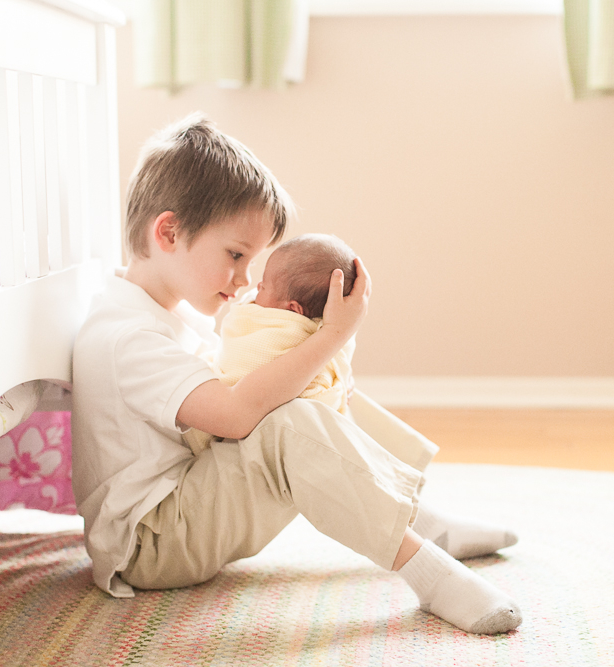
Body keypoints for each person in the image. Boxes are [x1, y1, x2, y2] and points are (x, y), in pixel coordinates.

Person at [71, 113, 522, 635]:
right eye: (236, 255)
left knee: (319, 390)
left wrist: (322, 366)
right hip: (152, 543)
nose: (244, 280)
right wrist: (330, 337)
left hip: (186, 503)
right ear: (169, 232)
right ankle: (429, 571)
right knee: (290, 420)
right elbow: (238, 416)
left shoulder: (162, 312)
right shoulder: (128, 338)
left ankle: (422, 517)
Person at [183, 233, 358, 457]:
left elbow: (240, 370)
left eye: (264, 287)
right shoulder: (330, 331)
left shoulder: (282, 334)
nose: (255, 287)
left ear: (293, 309)